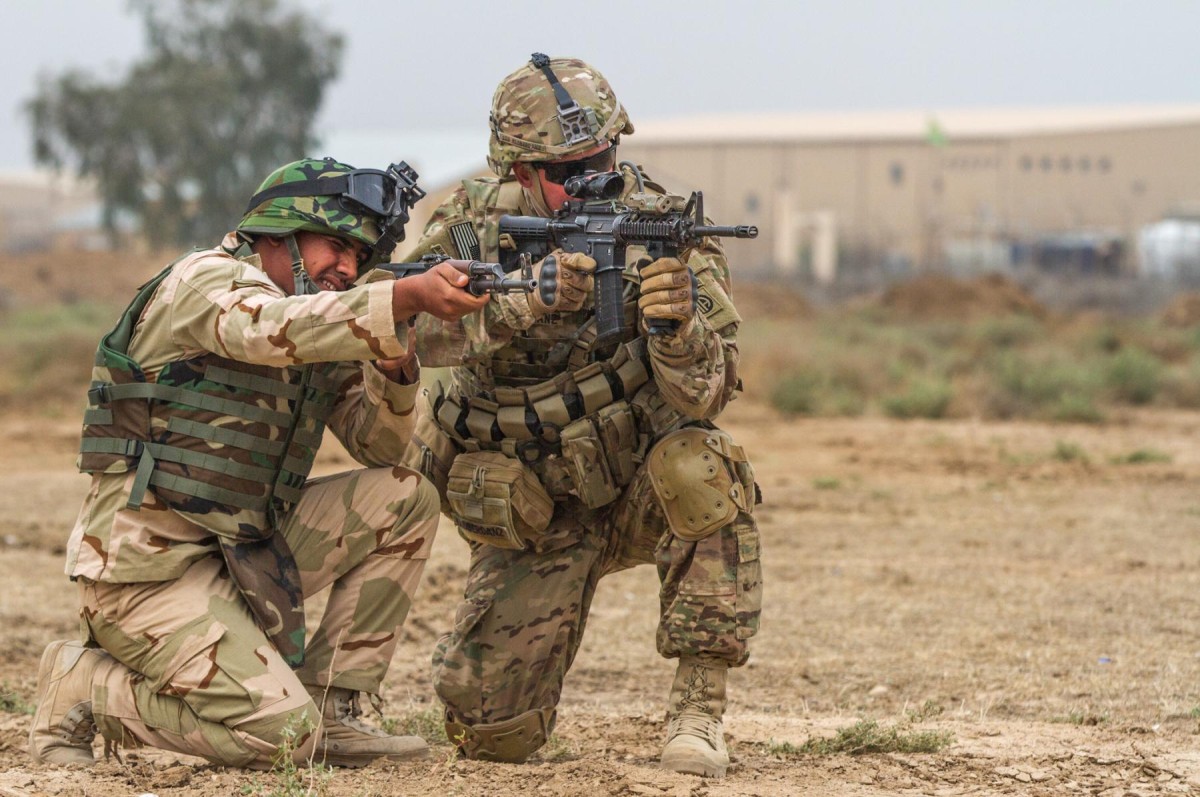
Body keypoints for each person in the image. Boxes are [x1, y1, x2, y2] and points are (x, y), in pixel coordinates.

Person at [28, 157, 489, 770]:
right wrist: (396, 298)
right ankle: (86, 685)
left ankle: (337, 707)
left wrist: (396, 365)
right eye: (335, 246)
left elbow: (378, 447)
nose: (347, 268)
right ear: (278, 234)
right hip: (146, 576)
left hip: (246, 555)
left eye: (360, 257)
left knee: (405, 496)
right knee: (281, 738)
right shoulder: (204, 281)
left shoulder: (325, 314)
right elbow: (260, 329)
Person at [401, 55, 762, 777]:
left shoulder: (658, 224)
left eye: (603, 158)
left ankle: (699, 708)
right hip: (531, 507)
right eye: (568, 170)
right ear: (522, 170)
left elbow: (709, 393)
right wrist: (520, 301)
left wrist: (678, 330)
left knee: (703, 462)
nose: (590, 179)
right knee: (489, 737)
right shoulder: (472, 225)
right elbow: (407, 333)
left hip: (633, 485)